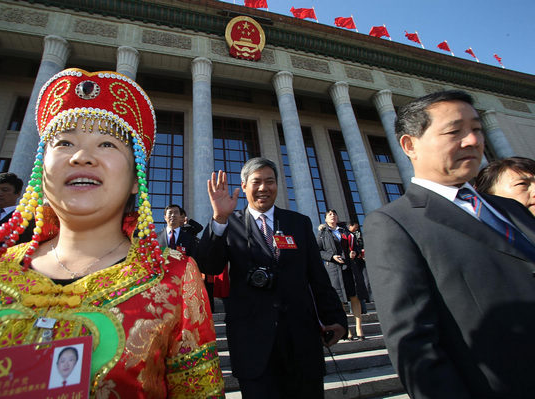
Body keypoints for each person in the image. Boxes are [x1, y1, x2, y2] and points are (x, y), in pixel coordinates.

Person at [0, 68, 223, 398]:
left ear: (135, 181)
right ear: (40, 171)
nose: (81, 156)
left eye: (106, 143)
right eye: (65, 142)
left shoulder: (171, 277)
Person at [364, 90, 535, 399]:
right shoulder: (394, 224)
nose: (473, 141)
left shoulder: (512, 209)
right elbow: (414, 346)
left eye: (477, 130)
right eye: (455, 131)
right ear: (409, 145)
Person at [197, 157, 347, 399]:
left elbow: (317, 276)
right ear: (244, 186)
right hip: (253, 344)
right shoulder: (230, 223)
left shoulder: (298, 223)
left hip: (301, 341)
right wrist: (219, 219)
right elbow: (209, 265)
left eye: (270, 181)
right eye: (256, 182)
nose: (264, 188)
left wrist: (336, 318)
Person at [316, 210, 368, 341]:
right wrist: (331, 257)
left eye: (334, 214)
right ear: (325, 219)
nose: (332, 216)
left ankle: (359, 329)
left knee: (355, 297)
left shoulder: (345, 232)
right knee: (340, 300)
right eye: (329, 215)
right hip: (334, 269)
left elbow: (356, 246)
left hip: (350, 267)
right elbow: (318, 250)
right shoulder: (322, 233)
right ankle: (348, 330)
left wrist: (354, 253)